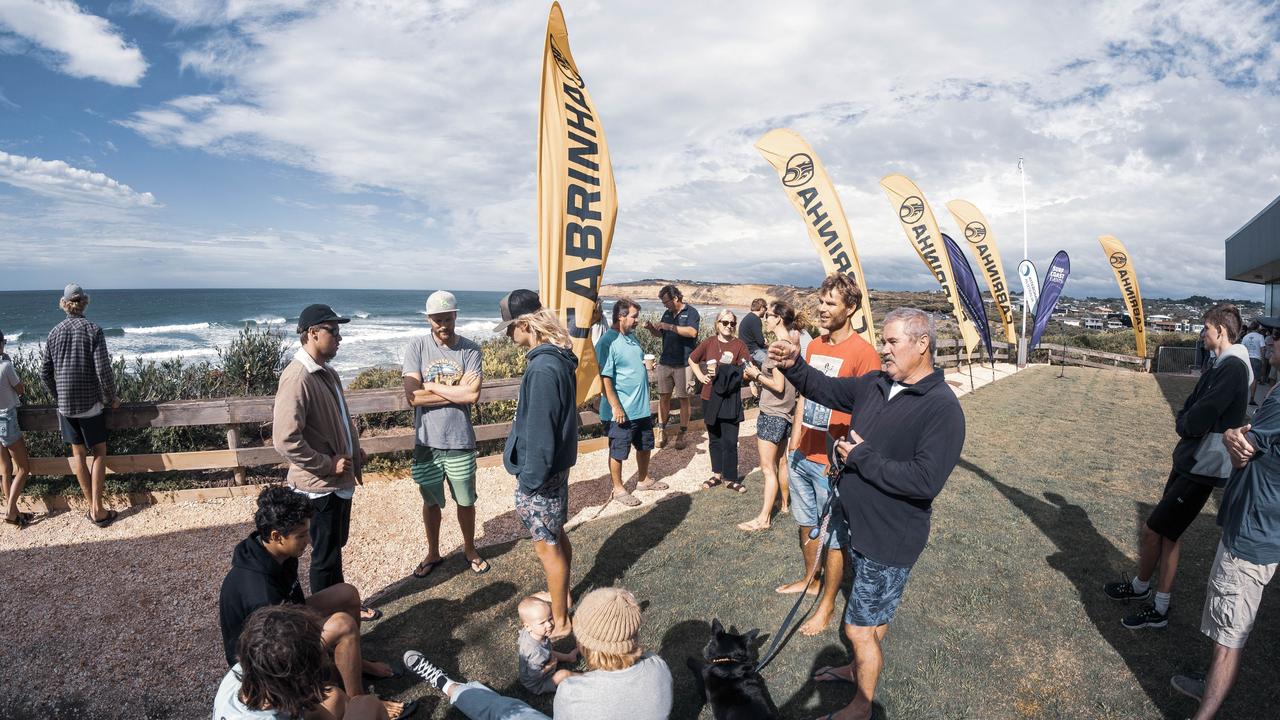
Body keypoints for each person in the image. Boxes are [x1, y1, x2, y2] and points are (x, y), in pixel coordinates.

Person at [770, 307, 965, 720]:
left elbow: (925, 480)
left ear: (922, 344)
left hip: (890, 538)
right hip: (860, 528)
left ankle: (862, 707)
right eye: (883, 341)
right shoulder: (877, 383)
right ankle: (857, 668)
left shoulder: (943, 409)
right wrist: (794, 366)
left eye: (893, 342)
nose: (884, 349)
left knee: (858, 628)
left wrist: (863, 458)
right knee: (872, 620)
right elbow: (825, 388)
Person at [1103, 304, 1251, 629]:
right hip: (1191, 461)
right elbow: (1191, 404)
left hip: (1202, 467)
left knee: (1154, 529)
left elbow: (1201, 414)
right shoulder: (1219, 364)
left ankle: (1158, 607)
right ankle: (1147, 593)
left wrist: (1184, 424)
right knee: (1168, 534)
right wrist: (1185, 420)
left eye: (1206, 329)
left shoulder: (1233, 368)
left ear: (1220, 332)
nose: (1202, 334)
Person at [218, 486, 408, 718]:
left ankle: (353, 659)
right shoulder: (259, 591)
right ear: (277, 536)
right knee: (343, 625)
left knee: (346, 594)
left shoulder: (273, 550)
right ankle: (356, 698)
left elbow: (295, 607)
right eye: (301, 535)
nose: (309, 540)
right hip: (266, 657)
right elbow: (276, 649)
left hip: (287, 618)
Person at [1170, 344, 1279, 719]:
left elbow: (1243, 450)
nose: (1268, 343)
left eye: (1277, 336)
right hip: (1257, 526)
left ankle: (1205, 711)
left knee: (1229, 639)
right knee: (1226, 630)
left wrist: (1234, 437)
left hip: (1252, 533)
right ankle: (1209, 684)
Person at [775, 273, 881, 638]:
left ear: (850, 308)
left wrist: (849, 460)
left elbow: (869, 412)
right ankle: (811, 579)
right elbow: (805, 394)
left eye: (831, 303)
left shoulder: (864, 354)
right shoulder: (814, 346)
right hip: (803, 452)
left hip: (832, 465)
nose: (821, 309)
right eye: (820, 301)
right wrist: (793, 443)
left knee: (834, 536)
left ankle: (827, 604)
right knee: (805, 522)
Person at [403, 587, 672, 720]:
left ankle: (448, 686)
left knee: (503, 708)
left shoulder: (574, 691)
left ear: (586, 641)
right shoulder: (659, 666)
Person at [273, 304, 379, 621]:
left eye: (339, 330)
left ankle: (341, 606)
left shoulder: (327, 373)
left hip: (337, 483)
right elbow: (285, 438)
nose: (340, 337)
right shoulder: (298, 377)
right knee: (324, 557)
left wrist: (354, 449)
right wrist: (325, 464)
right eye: (333, 331)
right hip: (320, 486)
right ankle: (327, 622)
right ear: (312, 333)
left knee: (333, 550)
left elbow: (342, 420)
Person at [496, 289, 579, 639]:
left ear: (525, 324)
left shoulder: (543, 367)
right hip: (552, 470)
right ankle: (565, 597)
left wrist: (529, 480)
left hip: (540, 475)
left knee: (546, 547)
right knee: (555, 534)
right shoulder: (555, 359)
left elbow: (542, 433)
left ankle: (560, 621)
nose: (510, 337)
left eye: (511, 329)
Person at [402, 290, 488, 578]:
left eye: (447, 319)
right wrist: (456, 392)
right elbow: (413, 397)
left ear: (455, 316)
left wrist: (434, 386)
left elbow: (472, 395)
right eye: (437, 320)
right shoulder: (417, 347)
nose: (443, 325)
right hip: (427, 441)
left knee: (466, 500)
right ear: (429, 319)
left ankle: (469, 547)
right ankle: (433, 552)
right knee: (430, 502)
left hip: (460, 440)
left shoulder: (471, 349)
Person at [214, 604, 411, 720]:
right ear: (296, 681)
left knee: (336, 698)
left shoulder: (243, 673)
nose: (325, 660)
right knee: (368, 705)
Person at [40, 283, 119, 527]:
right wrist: (111, 397)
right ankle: (98, 510)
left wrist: (59, 395)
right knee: (99, 453)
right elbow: (103, 371)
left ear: (64, 304)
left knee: (78, 455)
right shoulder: (93, 330)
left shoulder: (54, 333)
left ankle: (90, 508)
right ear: (84, 302)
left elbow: (44, 373)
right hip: (90, 405)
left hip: (66, 407)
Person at [595, 298, 667, 508]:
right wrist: (616, 406)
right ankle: (618, 489)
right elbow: (604, 376)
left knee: (645, 445)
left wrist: (646, 366)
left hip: (640, 407)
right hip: (620, 411)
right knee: (618, 450)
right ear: (621, 316)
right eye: (634, 317)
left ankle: (643, 480)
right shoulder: (607, 341)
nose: (637, 321)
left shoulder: (632, 337)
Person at [737, 301, 802, 531]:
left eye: (769, 316)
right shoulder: (794, 344)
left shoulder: (776, 347)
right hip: (786, 413)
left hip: (772, 412)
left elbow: (778, 384)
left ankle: (764, 518)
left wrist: (755, 375)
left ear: (778, 319)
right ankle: (784, 505)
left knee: (767, 468)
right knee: (782, 462)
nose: (765, 319)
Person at [689, 309, 750, 493]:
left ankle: (730, 478)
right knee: (715, 438)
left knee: (730, 441)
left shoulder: (739, 345)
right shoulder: (709, 342)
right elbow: (692, 359)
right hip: (710, 396)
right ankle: (716, 474)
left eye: (732, 323)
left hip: (730, 398)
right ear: (717, 324)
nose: (729, 326)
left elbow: (747, 369)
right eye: (725, 323)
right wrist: (700, 376)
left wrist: (736, 373)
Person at [643, 285, 700, 449]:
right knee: (663, 397)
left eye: (666, 302)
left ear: (676, 298)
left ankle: (682, 433)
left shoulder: (691, 312)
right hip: (665, 362)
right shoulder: (667, 313)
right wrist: (652, 329)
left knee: (683, 399)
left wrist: (670, 327)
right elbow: (661, 334)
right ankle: (662, 431)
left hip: (684, 364)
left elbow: (692, 332)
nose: (665, 305)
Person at [1, 329, 33, 528]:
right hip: (7, 418)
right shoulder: (5, 366)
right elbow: (20, 388)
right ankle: (11, 511)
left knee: (5, 469)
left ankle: (14, 511)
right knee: (23, 468)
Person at [516, 595, 580, 695]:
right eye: (542, 623)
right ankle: (586, 677)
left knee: (550, 653)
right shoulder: (536, 653)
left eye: (550, 618)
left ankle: (569, 657)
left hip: (543, 658)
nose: (549, 625)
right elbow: (534, 675)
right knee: (563, 674)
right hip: (537, 683)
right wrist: (550, 666)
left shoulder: (529, 632)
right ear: (528, 626)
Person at [1241, 321, 1264, 405]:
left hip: (1247, 358)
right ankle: (1252, 398)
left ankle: (1242, 397)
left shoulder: (1246, 337)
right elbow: (1262, 349)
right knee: (1254, 379)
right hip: (1256, 359)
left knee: (1246, 378)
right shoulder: (1260, 337)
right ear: (1257, 328)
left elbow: (1242, 348)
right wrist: (1263, 361)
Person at [740, 298, 769, 366]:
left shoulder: (749, 317)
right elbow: (760, 342)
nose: (765, 311)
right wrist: (765, 341)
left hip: (746, 350)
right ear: (762, 308)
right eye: (765, 308)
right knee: (771, 363)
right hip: (752, 352)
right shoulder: (756, 319)